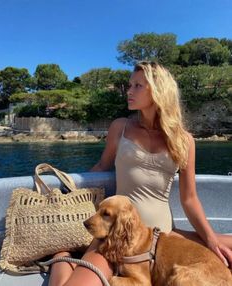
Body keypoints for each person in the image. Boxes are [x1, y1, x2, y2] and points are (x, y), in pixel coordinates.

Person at [49, 61, 232, 286]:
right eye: (130, 85)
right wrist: (66, 190)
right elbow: (101, 166)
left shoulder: (184, 141)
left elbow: (189, 198)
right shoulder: (120, 127)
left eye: (137, 86)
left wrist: (211, 240)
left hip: (160, 236)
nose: (129, 91)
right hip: (114, 235)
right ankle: (61, 256)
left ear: (158, 91)